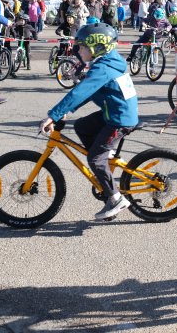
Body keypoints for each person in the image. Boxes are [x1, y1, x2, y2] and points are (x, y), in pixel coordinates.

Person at [39, 22, 137, 221]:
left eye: (82, 47)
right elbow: (87, 92)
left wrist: (54, 115)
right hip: (115, 113)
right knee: (81, 126)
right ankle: (105, 157)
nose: (79, 50)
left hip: (119, 119)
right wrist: (68, 111)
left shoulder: (103, 69)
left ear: (97, 47)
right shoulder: (107, 62)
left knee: (94, 158)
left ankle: (116, 198)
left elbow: (79, 92)